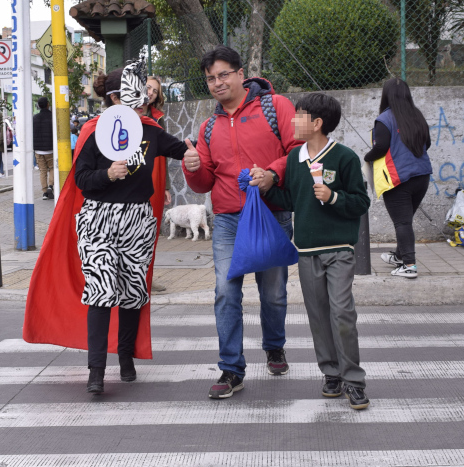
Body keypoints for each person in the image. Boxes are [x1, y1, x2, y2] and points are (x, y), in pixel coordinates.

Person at [23, 60, 197, 395]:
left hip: (137, 219)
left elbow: (180, 150)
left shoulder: (150, 132)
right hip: (98, 220)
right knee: (101, 293)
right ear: (116, 98)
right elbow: (82, 180)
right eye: (137, 94)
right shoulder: (94, 131)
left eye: (145, 95)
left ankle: (127, 358)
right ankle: (97, 371)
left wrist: (192, 155)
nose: (144, 101)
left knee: (133, 292)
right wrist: (108, 174)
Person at [182, 45, 303, 399]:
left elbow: (297, 150)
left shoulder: (276, 106)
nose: (217, 83)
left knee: (274, 292)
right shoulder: (207, 127)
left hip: (270, 214)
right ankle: (231, 369)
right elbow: (205, 182)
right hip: (228, 220)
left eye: (222, 75)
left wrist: (272, 174)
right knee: (225, 291)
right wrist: (193, 169)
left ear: (240, 74)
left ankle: (275, 345)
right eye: (210, 79)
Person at [251, 93, 371, 410]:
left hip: (339, 250)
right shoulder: (294, 159)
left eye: (299, 115)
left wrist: (332, 196)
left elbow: (361, 203)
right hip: (307, 252)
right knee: (318, 316)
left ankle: (354, 381)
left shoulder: (344, 158)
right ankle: (331, 374)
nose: (292, 120)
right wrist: (264, 183)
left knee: (342, 313)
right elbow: (291, 199)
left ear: (316, 123)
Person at [364, 78, 433, 279]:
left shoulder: (384, 119)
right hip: (422, 176)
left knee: (402, 223)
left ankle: (409, 265)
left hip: (398, 179)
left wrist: (366, 158)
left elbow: (381, 147)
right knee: (405, 220)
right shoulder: (417, 115)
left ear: (386, 95)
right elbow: (426, 143)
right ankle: (400, 256)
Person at [146, 76, 171, 293]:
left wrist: (166, 186)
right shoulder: (126, 114)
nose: (151, 92)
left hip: (155, 176)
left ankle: (147, 277)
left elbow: (166, 150)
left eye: (155, 90)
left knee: (151, 229)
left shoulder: (158, 118)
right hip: (130, 175)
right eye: (148, 87)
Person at [33, 96, 54, 200]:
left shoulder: (34, 118)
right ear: (48, 104)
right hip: (50, 149)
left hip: (38, 149)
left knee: (42, 171)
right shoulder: (52, 117)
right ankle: (51, 186)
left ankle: (45, 192)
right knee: (52, 168)